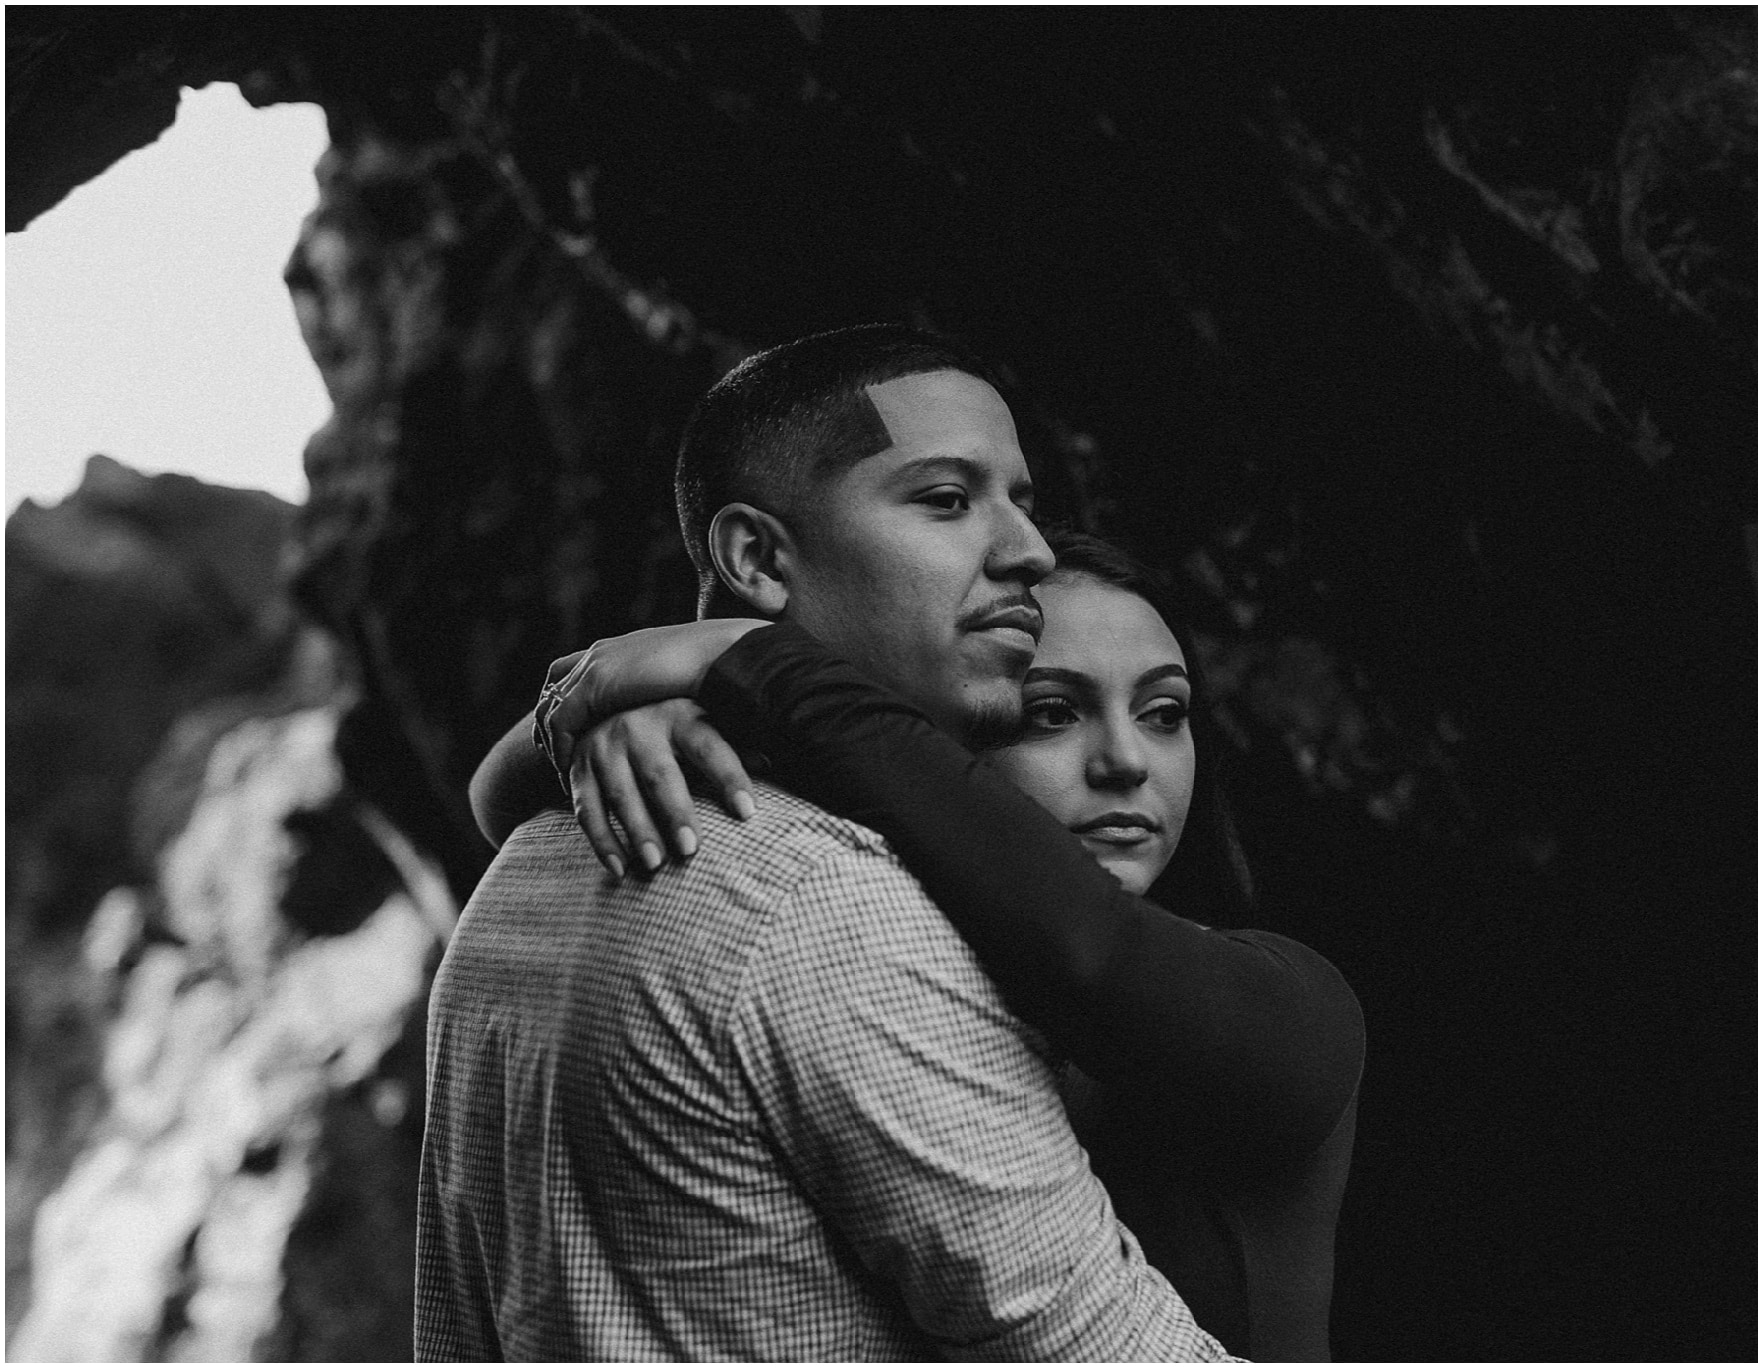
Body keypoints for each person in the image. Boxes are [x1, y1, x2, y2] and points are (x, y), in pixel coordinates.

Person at [415, 325, 1236, 1360]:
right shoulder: (830, 911)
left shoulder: (527, 866)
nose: (1027, 549)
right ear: (757, 558)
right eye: (945, 499)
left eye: (1020, 499)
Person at [479, 529, 1365, 1359]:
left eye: (1166, 712)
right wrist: (606, 721)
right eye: (1051, 713)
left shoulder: (1291, 1004)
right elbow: (496, 805)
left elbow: (1094, 955)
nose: (1128, 761)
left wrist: (738, 659)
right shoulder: (880, 979)